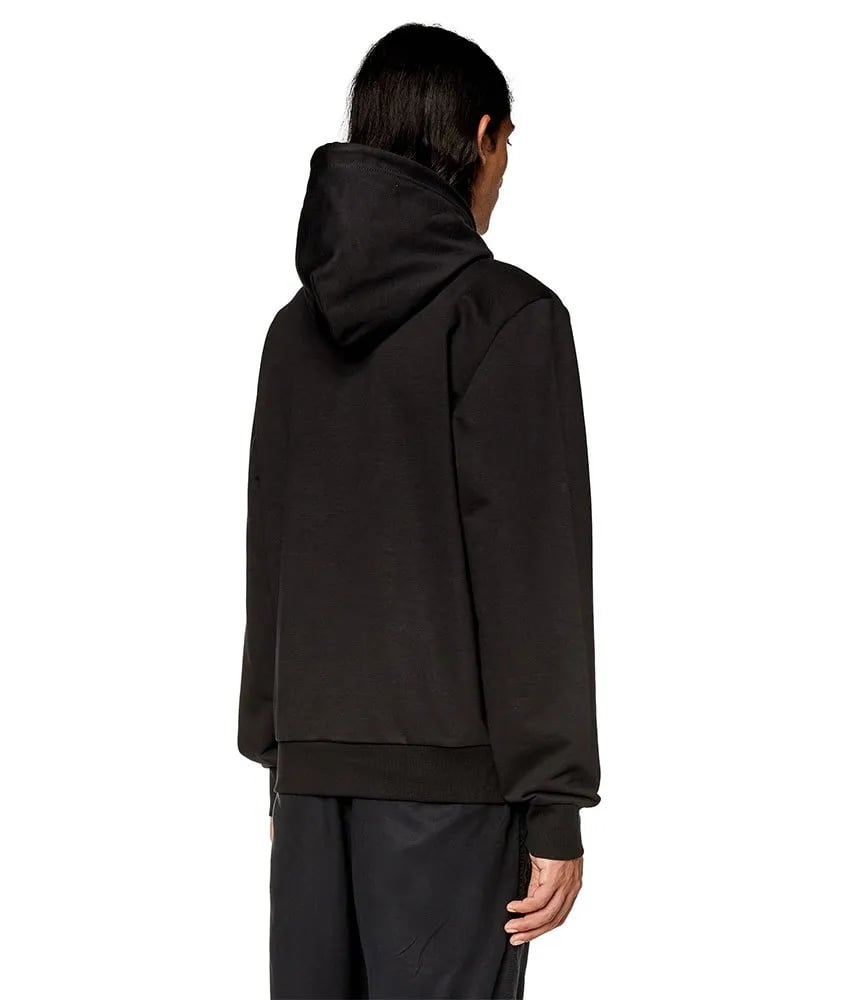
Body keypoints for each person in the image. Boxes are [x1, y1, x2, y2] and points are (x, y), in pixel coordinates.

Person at [238, 22, 600, 1000]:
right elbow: (532, 577)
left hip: (312, 790)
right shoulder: (507, 319)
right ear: (480, 136)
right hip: (453, 796)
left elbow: (271, 558)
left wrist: (284, 761)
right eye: (507, 145)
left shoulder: (292, 333)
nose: (503, 172)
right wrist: (555, 801)